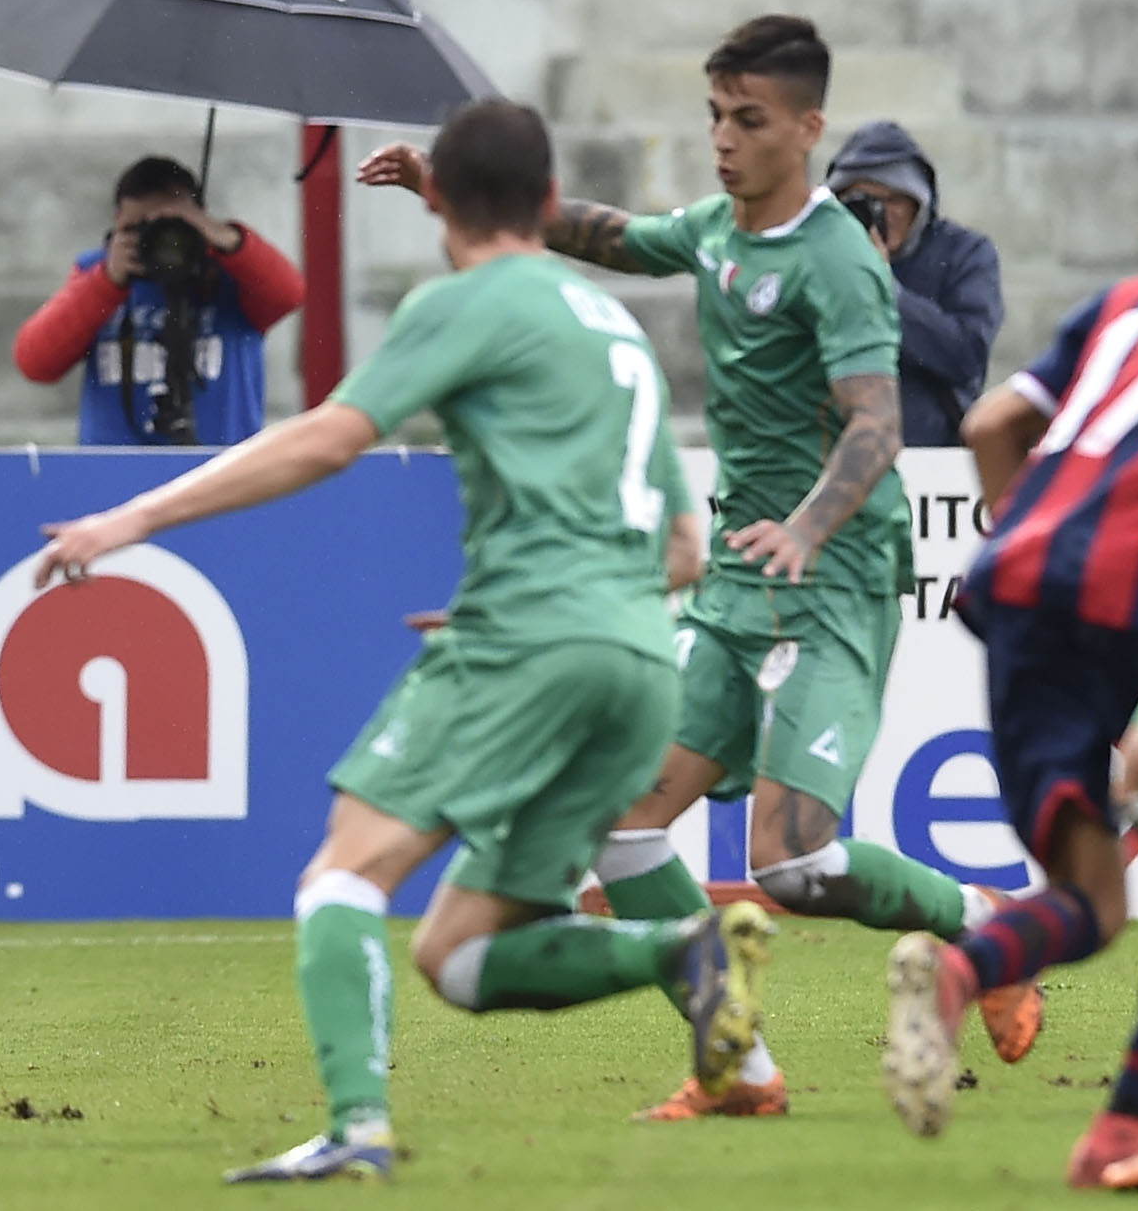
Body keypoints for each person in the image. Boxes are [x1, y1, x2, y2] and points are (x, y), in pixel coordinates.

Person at [38, 99, 773, 1183]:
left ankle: (356, 1127)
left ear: (442, 210)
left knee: (342, 872)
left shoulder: (459, 301)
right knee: (460, 955)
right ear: (547, 202)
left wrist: (131, 517)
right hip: (635, 660)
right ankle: (680, 950)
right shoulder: (612, 325)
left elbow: (329, 436)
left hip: (532, 639)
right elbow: (682, 544)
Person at [360, 14, 1039, 1122]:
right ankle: (743, 1067)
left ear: (807, 129)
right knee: (622, 825)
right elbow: (610, 234)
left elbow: (875, 424)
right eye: (714, 116)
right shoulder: (718, 231)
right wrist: (454, 194)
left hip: (834, 582)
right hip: (734, 583)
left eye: (747, 120)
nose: (722, 139)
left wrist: (810, 526)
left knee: (791, 865)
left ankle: (993, 930)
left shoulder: (835, 261)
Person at [881, 245, 1138, 1185]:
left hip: (1019, 585)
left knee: (1095, 901)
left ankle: (965, 976)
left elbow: (993, 421)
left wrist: (1033, 545)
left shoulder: (1125, 303)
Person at [12, 155, 304, 445]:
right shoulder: (97, 274)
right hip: (115, 475)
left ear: (200, 219)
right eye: (136, 229)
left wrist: (227, 238)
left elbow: (290, 293)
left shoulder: (233, 275)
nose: (154, 241)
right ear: (116, 226)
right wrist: (106, 283)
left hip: (221, 472)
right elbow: (34, 362)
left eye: (170, 228)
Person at [824, 120, 1004, 446]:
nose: (881, 213)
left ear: (919, 203)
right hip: (832, 447)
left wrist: (884, 287)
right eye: (864, 201)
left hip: (933, 457)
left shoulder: (965, 253)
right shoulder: (816, 254)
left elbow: (967, 358)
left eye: (894, 199)